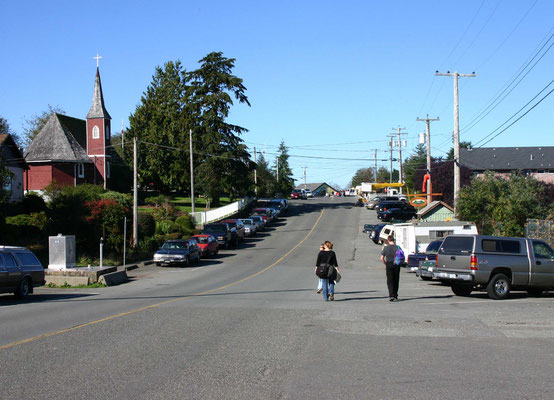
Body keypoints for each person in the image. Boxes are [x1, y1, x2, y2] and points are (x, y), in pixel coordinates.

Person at [380, 235, 400, 302]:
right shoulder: (398, 247)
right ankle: (395, 296)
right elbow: (401, 256)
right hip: (396, 264)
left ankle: (391, 295)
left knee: (390, 281)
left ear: (388, 240)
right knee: (396, 280)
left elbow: (381, 258)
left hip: (389, 264)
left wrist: (385, 263)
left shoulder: (385, 248)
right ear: (393, 240)